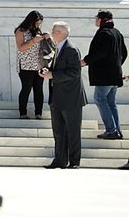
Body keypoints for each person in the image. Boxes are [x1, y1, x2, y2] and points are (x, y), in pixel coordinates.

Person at [41, 21, 85, 169]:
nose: (52, 33)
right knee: (58, 132)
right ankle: (59, 160)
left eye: (53, 31)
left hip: (71, 98)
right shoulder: (57, 48)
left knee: (72, 131)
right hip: (57, 97)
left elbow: (75, 72)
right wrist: (47, 71)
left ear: (59, 33)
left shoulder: (71, 49)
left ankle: (74, 162)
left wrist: (53, 74)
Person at [83, 10, 126, 140]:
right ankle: (116, 129)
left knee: (100, 98)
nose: (96, 20)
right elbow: (124, 53)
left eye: (97, 18)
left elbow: (99, 53)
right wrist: (116, 65)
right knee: (110, 102)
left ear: (102, 19)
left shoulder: (104, 33)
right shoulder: (117, 33)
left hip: (105, 76)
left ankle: (111, 130)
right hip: (114, 75)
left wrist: (85, 61)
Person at [14, 10, 48, 119]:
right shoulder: (20, 31)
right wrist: (33, 40)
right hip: (25, 65)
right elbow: (21, 47)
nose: (38, 25)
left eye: (40, 23)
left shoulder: (37, 31)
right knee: (26, 88)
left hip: (38, 65)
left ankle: (38, 113)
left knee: (39, 89)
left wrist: (46, 37)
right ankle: (22, 113)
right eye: (37, 22)